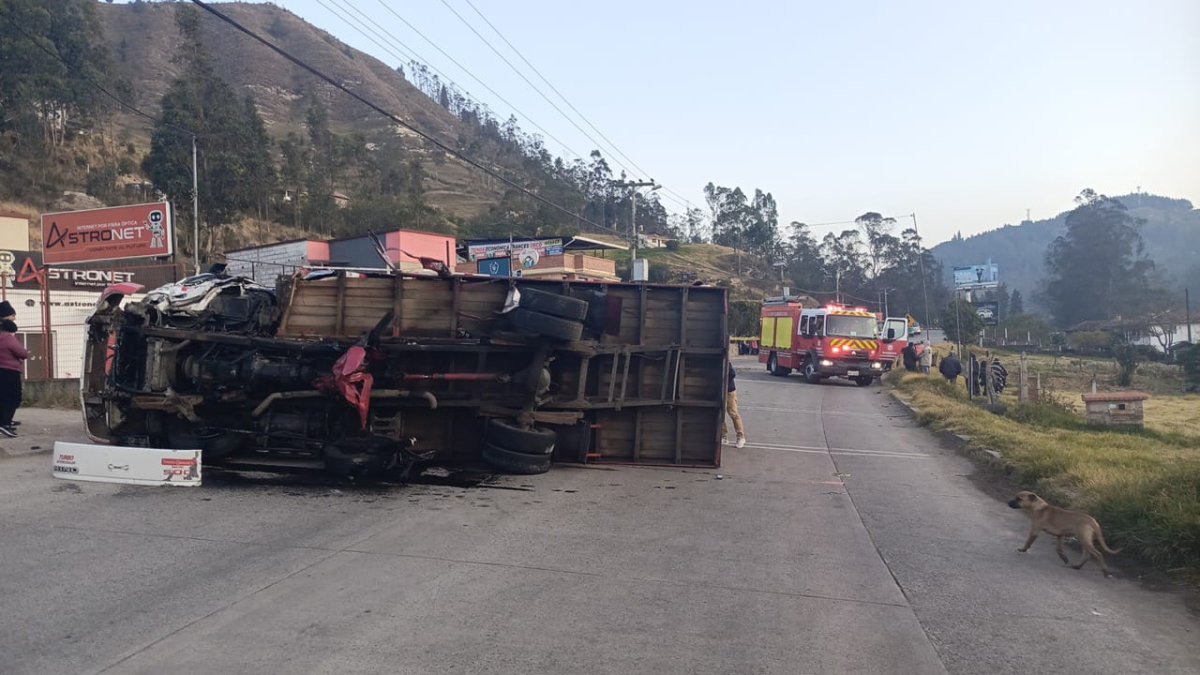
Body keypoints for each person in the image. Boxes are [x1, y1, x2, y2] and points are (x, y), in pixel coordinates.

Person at [0, 319, 28, 438]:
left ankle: (3, 423)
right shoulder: (7, 338)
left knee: (2, 398)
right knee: (13, 397)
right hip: (10, 371)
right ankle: (5, 424)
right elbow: (22, 353)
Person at [721, 362, 746, 448]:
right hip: (720, 390)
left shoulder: (726, 361)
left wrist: (724, 381)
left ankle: (740, 437)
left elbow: (732, 374)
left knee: (733, 413)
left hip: (729, 390)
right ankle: (723, 435)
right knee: (720, 413)